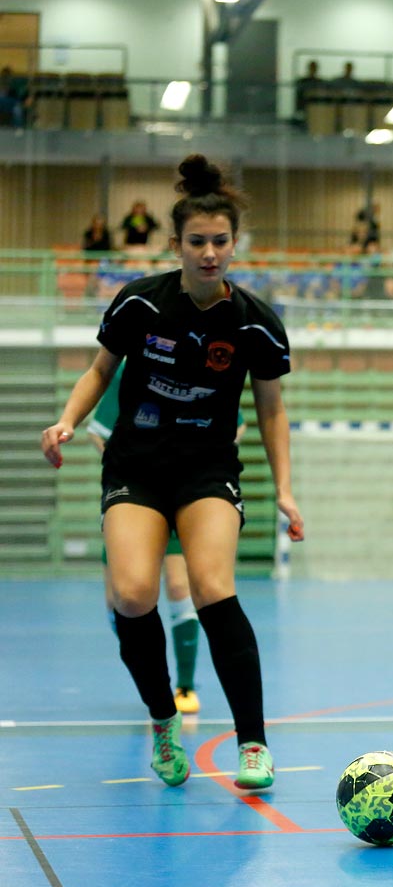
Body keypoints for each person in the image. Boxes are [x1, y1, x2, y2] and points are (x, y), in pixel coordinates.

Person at [41, 153, 303, 790]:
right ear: (176, 244)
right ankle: (163, 720)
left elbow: (271, 412)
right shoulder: (140, 304)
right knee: (133, 595)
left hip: (208, 469)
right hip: (136, 466)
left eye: (220, 241)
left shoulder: (254, 324)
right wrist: (68, 421)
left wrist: (288, 493)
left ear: (233, 244)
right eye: (197, 242)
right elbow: (99, 371)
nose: (209, 253)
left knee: (213, 587)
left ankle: (253, 745)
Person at [85, 358, 249, 715]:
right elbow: (97, 429)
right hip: (135, 495)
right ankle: (154, 684)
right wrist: (128, 464)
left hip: (183, 495)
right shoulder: (134, 365)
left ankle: (185, 685)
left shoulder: (202, 363)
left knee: (180, 586)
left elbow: (238, 424)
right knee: (121, 599)